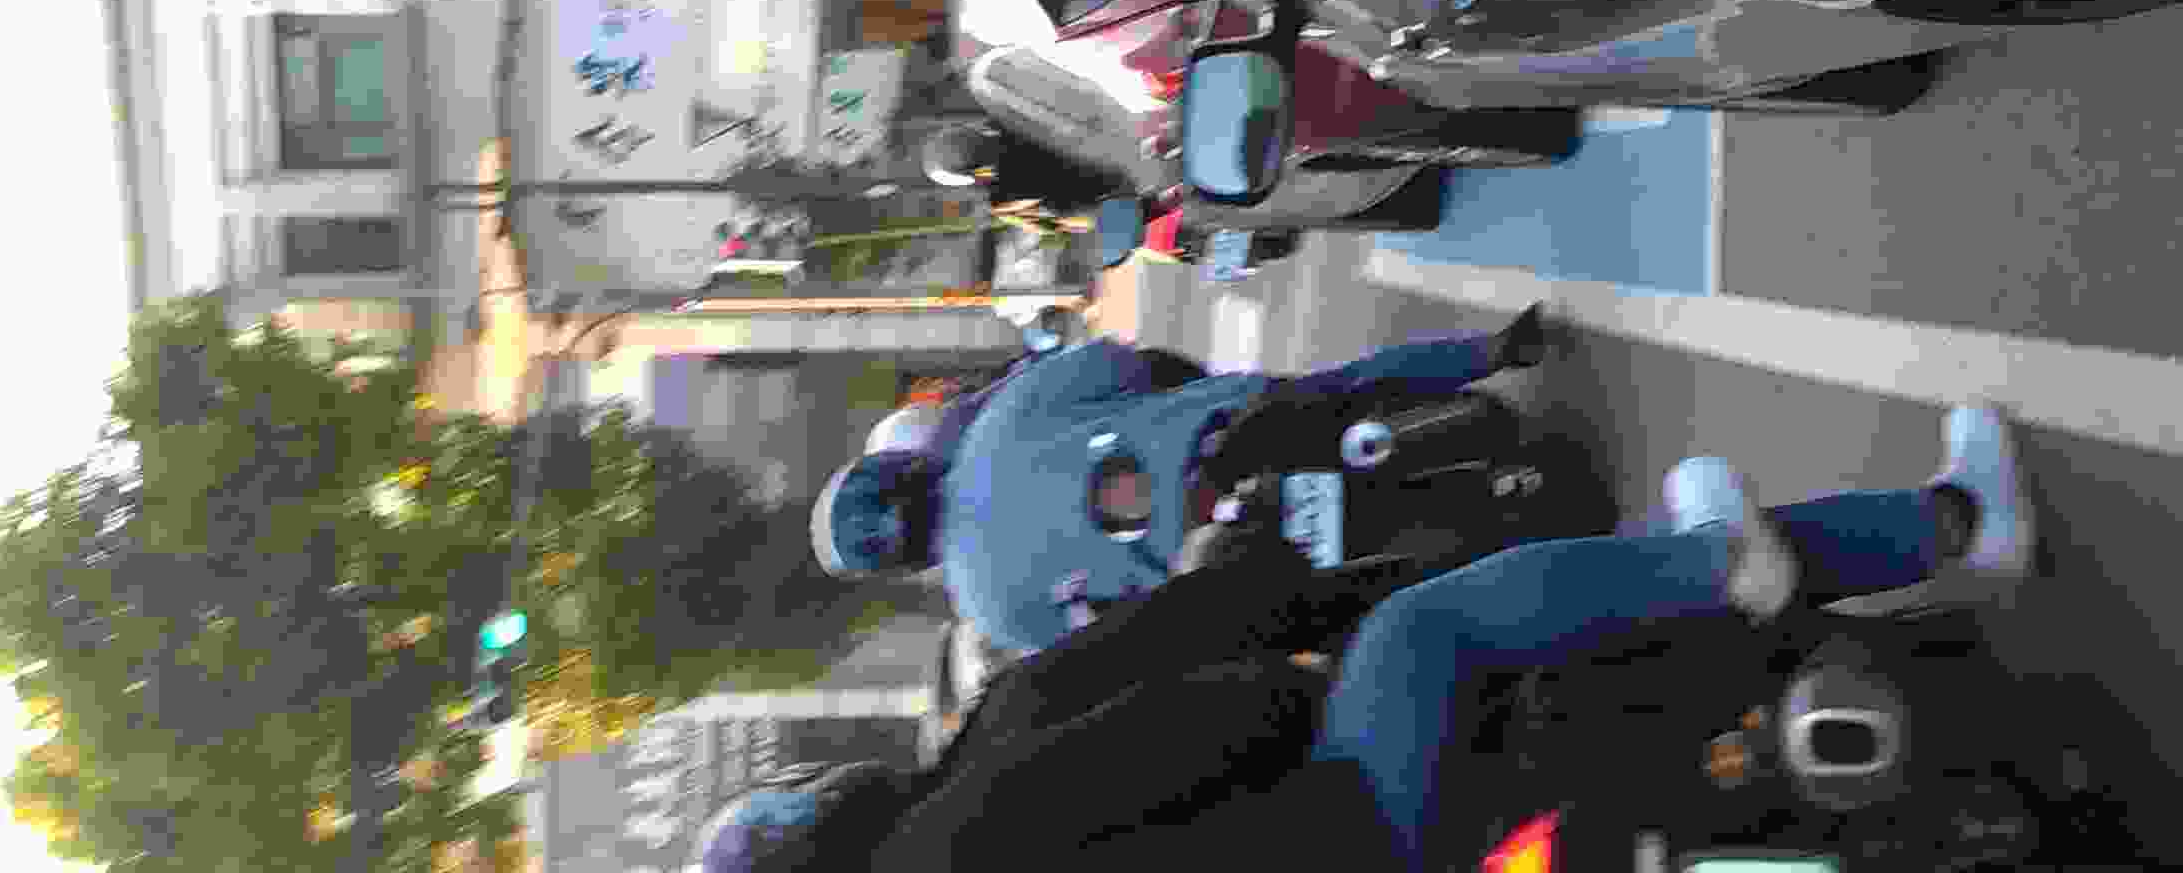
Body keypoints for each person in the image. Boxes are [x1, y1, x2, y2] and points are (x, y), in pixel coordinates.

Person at [730, 405, 2046, 873]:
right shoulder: (962, 806)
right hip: (1358, 825)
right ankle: (1788, 552)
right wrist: (1282, 671)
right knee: (1429, 624)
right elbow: (1196, 717)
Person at [812, 310, 1560, 648]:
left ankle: (1513, 571)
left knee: (1370, 613)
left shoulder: (993, 615)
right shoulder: (1003, 419)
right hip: (1230, 436)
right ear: (906, 466)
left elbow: (1113, 643)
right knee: (1347, 386)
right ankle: (1495, 349)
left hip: (1228, 564)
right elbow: (1128, 364)